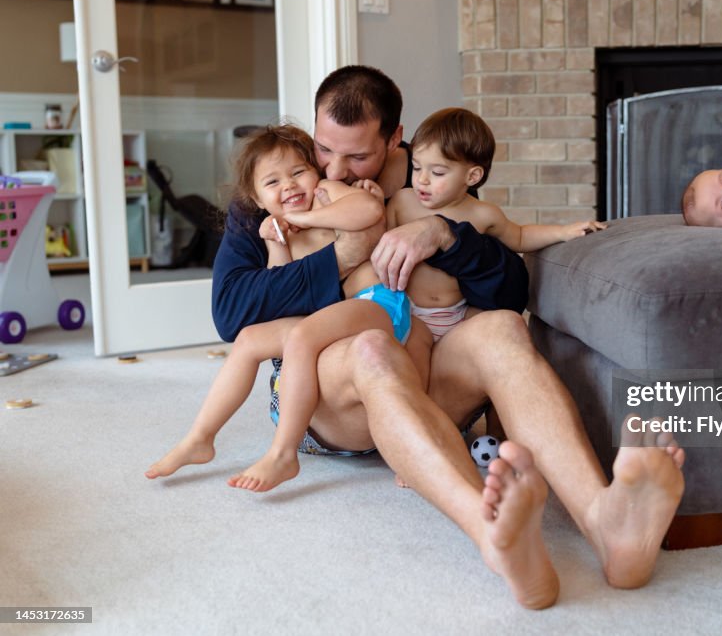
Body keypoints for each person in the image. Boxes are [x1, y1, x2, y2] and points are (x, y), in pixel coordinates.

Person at [209, 65, 686, 609]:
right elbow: (231, 313)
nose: (330, 169)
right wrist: (343, 255)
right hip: (331, 393)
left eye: (358, 156)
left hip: (429, 372)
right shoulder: (278, 185)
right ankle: (493, 538)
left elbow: (509, 289)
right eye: (323, 148)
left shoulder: (433, 169)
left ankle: (608, 524)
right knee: (372, 346)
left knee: (503, 329)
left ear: (395, 139)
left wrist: (445, 236)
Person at [145, 125, 420, 492]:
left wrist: (306, 220)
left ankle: (283, 454)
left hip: (377, 305)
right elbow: (281, 294)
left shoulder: (327, 195)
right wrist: (277, 241)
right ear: (257, 200)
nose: (289, 186)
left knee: (303, 338)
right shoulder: (273, 228)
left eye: (297, 173)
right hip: (332, 319)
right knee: (248, 340)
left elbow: (368, 208)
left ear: (315, 172)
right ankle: (199, 438)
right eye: (272, 182)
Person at [389, 107, 605, 339]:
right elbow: (379, 245)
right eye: (417, 167)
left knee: (510, 329)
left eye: (438, 173)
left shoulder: (483, 213)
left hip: (459, 313)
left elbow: (520, 236)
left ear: (472, 177)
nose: (421, 180)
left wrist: (563, 231)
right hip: (410, 312)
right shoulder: (402, 201)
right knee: (415, 354)